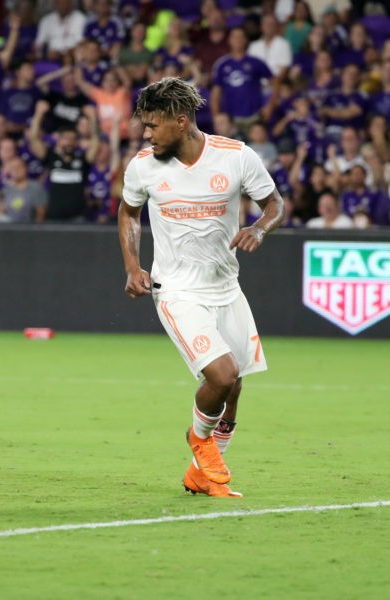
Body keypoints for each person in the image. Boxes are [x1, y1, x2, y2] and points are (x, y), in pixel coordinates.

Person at [117, 77, 285, 499]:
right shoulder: (142, 166)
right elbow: (128, 213)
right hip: (176, 288)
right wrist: (133, 265)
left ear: (182, 120)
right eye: (144, 125)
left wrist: (260, 229)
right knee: (221, 374)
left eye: (154, 126)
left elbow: (275, 204)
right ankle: (200, 441)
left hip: (226, 286)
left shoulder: (235, 157)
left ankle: (200, 474)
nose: (146, 134)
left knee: (236, 384)